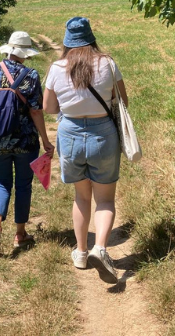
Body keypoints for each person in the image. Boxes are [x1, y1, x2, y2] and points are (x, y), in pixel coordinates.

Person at [43, 17, 128, 284]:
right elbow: (122, 100)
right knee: (104, 199)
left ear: (67, 42)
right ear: (91, 38)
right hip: (103, 134)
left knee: (81, 196)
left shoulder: (57, 68)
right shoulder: (108, 63)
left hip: (70, 135)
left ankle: (80, 252)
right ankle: (100, 249)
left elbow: (49, 108)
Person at [0, 31, 54, 253]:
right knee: (23, 185)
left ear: (8, 50)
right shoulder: (30, 75)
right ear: (25, 54)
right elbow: (36, 112)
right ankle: (20, 234)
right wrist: (46, 141)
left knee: (0, 183)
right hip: (25, 142)